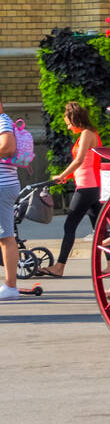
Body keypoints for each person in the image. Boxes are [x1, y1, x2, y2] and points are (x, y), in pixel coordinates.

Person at [46, 103, 102, 278]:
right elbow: (84, 164)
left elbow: (79, 161)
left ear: (75, 120)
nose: (68, 127)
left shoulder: (87, 134)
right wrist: (66, 177)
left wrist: (62, 174)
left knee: (69, 225)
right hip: (91, 186)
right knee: (99, 228)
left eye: (69, 123)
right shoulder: (86, 135)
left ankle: (59, 267)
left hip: (87, 187)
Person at [0, 93, 22, 301]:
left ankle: (10, 286)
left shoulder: (2, 121)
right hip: (4, 185)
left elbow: (8, 147)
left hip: (2, 186)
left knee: (5, 237)